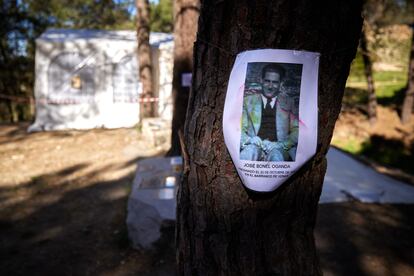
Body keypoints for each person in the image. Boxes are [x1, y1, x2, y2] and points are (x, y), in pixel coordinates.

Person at [240, 63, 298, 161]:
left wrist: (281, 144)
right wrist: (249, 140)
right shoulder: (247, 101)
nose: (270, 86)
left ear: (281, 84)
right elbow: (239, 129)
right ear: (261, 80)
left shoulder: (289, 102)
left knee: (276, 157)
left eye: (275, 82)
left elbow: (297, 130)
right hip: (254, 145)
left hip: (279, 148)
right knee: (248, 153)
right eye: (267, 81)